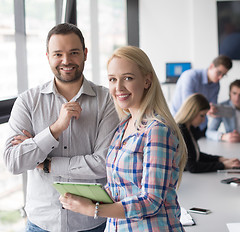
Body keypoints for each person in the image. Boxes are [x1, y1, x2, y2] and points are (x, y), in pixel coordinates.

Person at [3, 23, 119, 232]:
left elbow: (104, 164)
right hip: (41, 223)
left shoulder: (106, 100)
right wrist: (55, 129)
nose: (66, 61)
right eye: (58, 54)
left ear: (84, 54)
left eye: (73, 53)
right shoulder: (28, 101)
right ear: (48, 56)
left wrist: (46, 163)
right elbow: (14, 162)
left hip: (92, 224)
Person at [59, 46, 187, 231]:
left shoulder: (157, 130)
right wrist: (86, 197)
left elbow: (152, 201)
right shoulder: (124, 126)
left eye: (128, 78)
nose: (118, 88)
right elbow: (119, 188)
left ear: (147, 80)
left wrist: (93, 209)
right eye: (112, 79)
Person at [175, 93, 240, 173]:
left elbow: (196, 156)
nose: (203, 120)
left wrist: (220, 159)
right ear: (192, 112)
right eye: (202, 115)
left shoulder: (190, 129)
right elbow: (192, 166)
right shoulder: (181, 131)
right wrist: (223, 165)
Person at [171, 55, 233, 138]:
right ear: (211, 66)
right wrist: (208, 109)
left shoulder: (216, 85)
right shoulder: (190, 76)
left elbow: (211, 105)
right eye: (219, 72)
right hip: (181, 124)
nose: (220, 77)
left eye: (224, 75)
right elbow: (189, 103)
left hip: (200, 125)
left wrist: (213, 110)